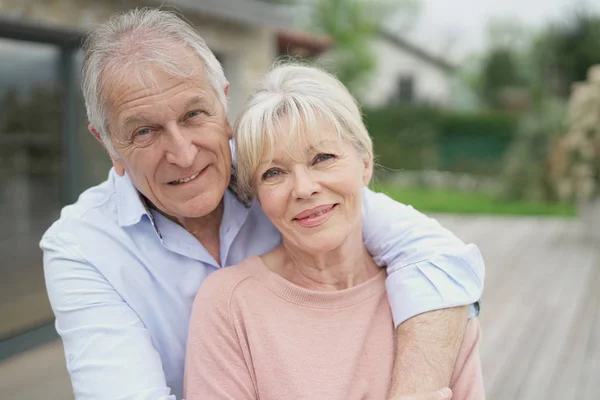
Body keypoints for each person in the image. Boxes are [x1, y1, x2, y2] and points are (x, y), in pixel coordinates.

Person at [40, 8, 484, 400]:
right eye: (144, 132)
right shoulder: (81, 247)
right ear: (108, 145)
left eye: (195, 114)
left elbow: (437, 256)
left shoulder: (275, 167)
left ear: (223, 103)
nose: (183, 153)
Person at [183, 63, 485, 400]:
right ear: (257, 194)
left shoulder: (436, 299)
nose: (304, 188)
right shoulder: (228, 304)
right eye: (274, 173)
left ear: (365, 162)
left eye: (322, 158)